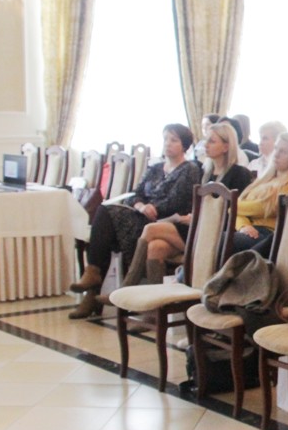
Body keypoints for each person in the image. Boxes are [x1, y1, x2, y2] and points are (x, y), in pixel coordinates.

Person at [68, 124, 200, 318]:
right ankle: (93, 281)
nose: (168, 144)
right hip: (141, 217)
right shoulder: (155, 168)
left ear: (185, 146)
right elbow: (135, 194)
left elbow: (176, 202)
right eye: (165, 139)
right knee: (105, 217)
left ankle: (104, 285)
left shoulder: (189, 169)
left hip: (167, 222)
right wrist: (140, 206)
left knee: (108, 217)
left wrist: (152, 208)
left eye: (174, 140)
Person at [118, 121, 254, 291]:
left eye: (212, 141)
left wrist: (196, 218)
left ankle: (127, 287)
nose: (206, 145)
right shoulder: (205, 172)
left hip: (216, 233)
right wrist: (190, 216)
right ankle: (156, 302)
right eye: (206, 140)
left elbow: (235, 211)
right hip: (195, 227)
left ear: (226, 147)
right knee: (155, 247)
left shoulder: (239, 174)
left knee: (151, 229)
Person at [233, 133, 288, 253]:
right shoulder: (266, 178)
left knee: (223, 241)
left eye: (283, 151)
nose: (276, 154)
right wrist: (243, 226)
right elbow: (239, 210)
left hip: (269, 235)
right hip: (248, 230)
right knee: (214, 237)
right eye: (276, 148)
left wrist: (232, 205)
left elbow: (267, 206)